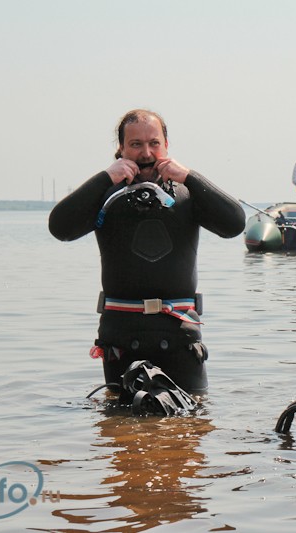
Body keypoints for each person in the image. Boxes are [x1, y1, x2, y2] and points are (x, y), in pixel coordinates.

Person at [49, 109, 245, 398]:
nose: (146, 152)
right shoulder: (106, 196)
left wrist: (190, 177)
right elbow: (60, 227)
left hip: (179, 336)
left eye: (154, 143)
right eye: (136, 144)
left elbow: (234, 224)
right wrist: (104, 178)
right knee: (121, 431)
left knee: (190, 429)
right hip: (121, 340)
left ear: (167, 146)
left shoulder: (187, 194)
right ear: (121, 149)